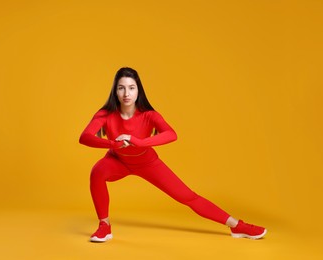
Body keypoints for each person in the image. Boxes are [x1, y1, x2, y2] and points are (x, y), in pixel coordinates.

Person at [79, 67, 267, 242]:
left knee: (188, 197)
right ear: (115, 91)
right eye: (121, 88)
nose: (126, 93)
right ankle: (105, 226)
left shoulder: (149, 115)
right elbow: (85, 137)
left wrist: (139, 142)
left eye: (131, 88)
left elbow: (171, 134)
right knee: (97, 172)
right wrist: (113, 144)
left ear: (138, 91)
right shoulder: (105, 114)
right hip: (117, 160)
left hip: (146, 163)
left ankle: (238, 226)